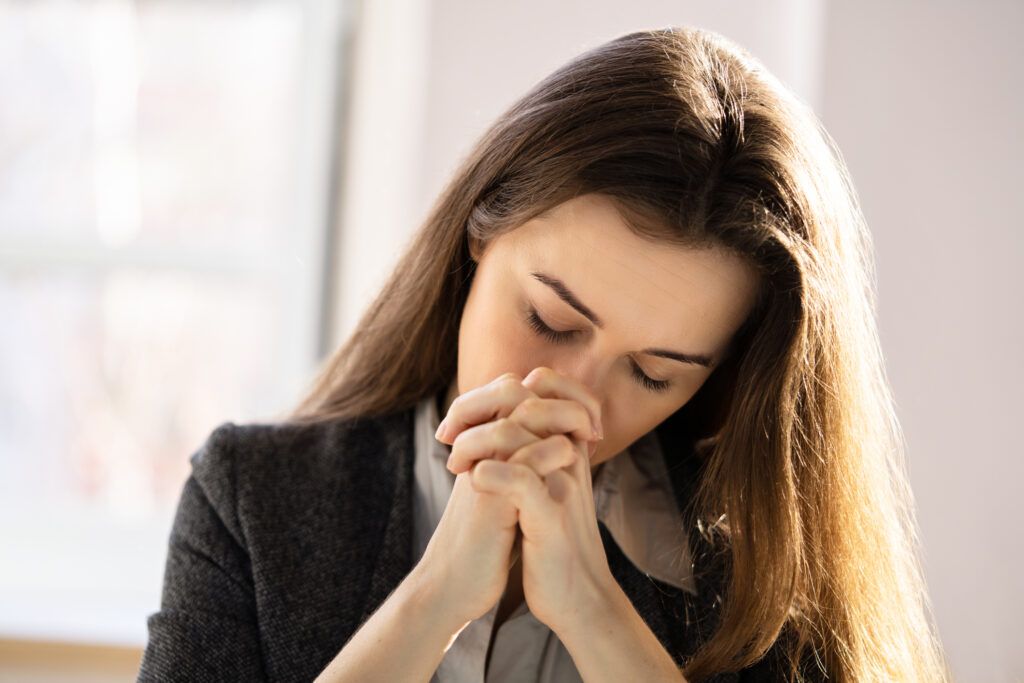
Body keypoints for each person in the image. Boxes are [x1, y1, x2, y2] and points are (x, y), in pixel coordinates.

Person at [137, 25, 951, 682]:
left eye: (652, 373)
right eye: (551, 320)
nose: (573, 402)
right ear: (474, 245)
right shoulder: (251, 500)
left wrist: (595, 614)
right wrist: (434, 597)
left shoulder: (768, 577)